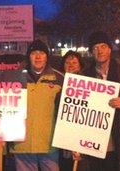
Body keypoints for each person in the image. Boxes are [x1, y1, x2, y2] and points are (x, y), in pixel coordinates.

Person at [80, 31, 120, 171]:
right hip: (93, 141)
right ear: (91, 52)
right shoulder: (84, 76)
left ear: (110, 49)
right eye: (95, 47)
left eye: (103, 46)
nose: (99, 51)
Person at [8, 40, 64, 171]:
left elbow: (68, 111)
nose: (38, 57)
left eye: (42, 53)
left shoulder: (59, 78)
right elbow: (5, 108)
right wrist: (0, 136)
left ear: (47, 57)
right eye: (34, 53)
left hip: (49, 143)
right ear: (29, 57)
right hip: (22, 143)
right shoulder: (15, 78)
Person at [59, 50, 85, 171]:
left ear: (80, 64)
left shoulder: (88, 83)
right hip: (63, 136)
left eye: (74, 62)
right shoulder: (58, 83)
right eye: (67, 62)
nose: (70, 64)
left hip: (82, 135)